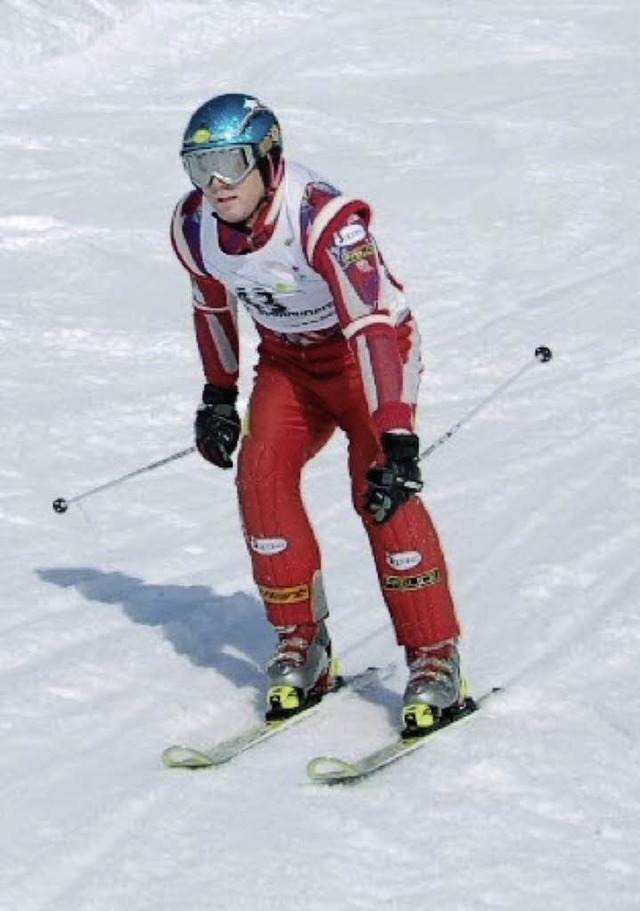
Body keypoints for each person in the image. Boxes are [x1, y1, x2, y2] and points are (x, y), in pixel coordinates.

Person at [171, 93, 469, 733]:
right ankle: (301, 642)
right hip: (289, 364)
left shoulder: (325, 219)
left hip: (367, 358)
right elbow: (212, 308)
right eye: (199, 168)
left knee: (380, 489)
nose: (216, 185)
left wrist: (395, 430)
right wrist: (218, 395)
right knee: (261, 476)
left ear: (268, 159)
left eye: (229, 164)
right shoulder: (194, 226)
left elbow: (372, 325)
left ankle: (434, 654)